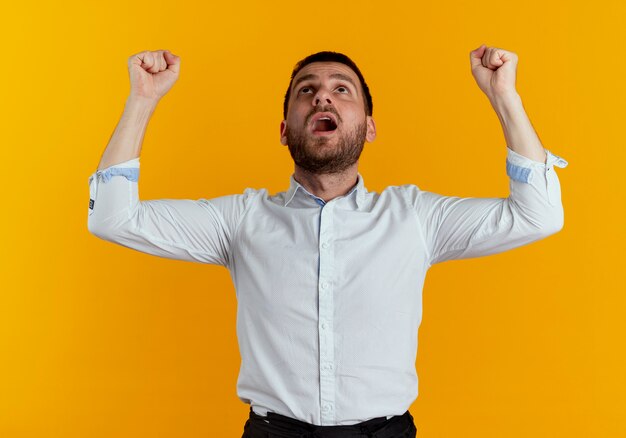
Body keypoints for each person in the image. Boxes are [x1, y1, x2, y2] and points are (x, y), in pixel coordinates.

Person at [87, 46, 568, 437]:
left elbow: (538, 215)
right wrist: (142, 101)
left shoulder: (415, 217)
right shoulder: (239, 220)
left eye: (342, 90)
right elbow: (113, 218)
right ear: (284, 130)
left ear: (369, 127)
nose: (323, 99)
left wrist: (505, 98)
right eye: (307, 91)